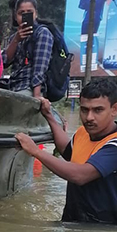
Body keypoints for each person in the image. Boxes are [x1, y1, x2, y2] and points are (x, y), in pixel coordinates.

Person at [16, 78, 117, 224]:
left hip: (102, 228)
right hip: (73, 221)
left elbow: (80, 175)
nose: (89, 117)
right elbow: (67, 151)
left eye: (98, 110)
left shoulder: (114, 144)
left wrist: (35, 151)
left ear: (114, 110)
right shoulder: (83, 132)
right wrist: (49, 116)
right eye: (84, 110)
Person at [1, 0, 53, 99]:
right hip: (12, 86)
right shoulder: (14, 37)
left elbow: (40, 68)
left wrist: (37, 96)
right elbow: (3, 62)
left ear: (36, 14)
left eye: (29, 12)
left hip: (28, 88)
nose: (25, 15)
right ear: (16, 17)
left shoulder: (42, 33)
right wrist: (16, 40)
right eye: (21, 13)